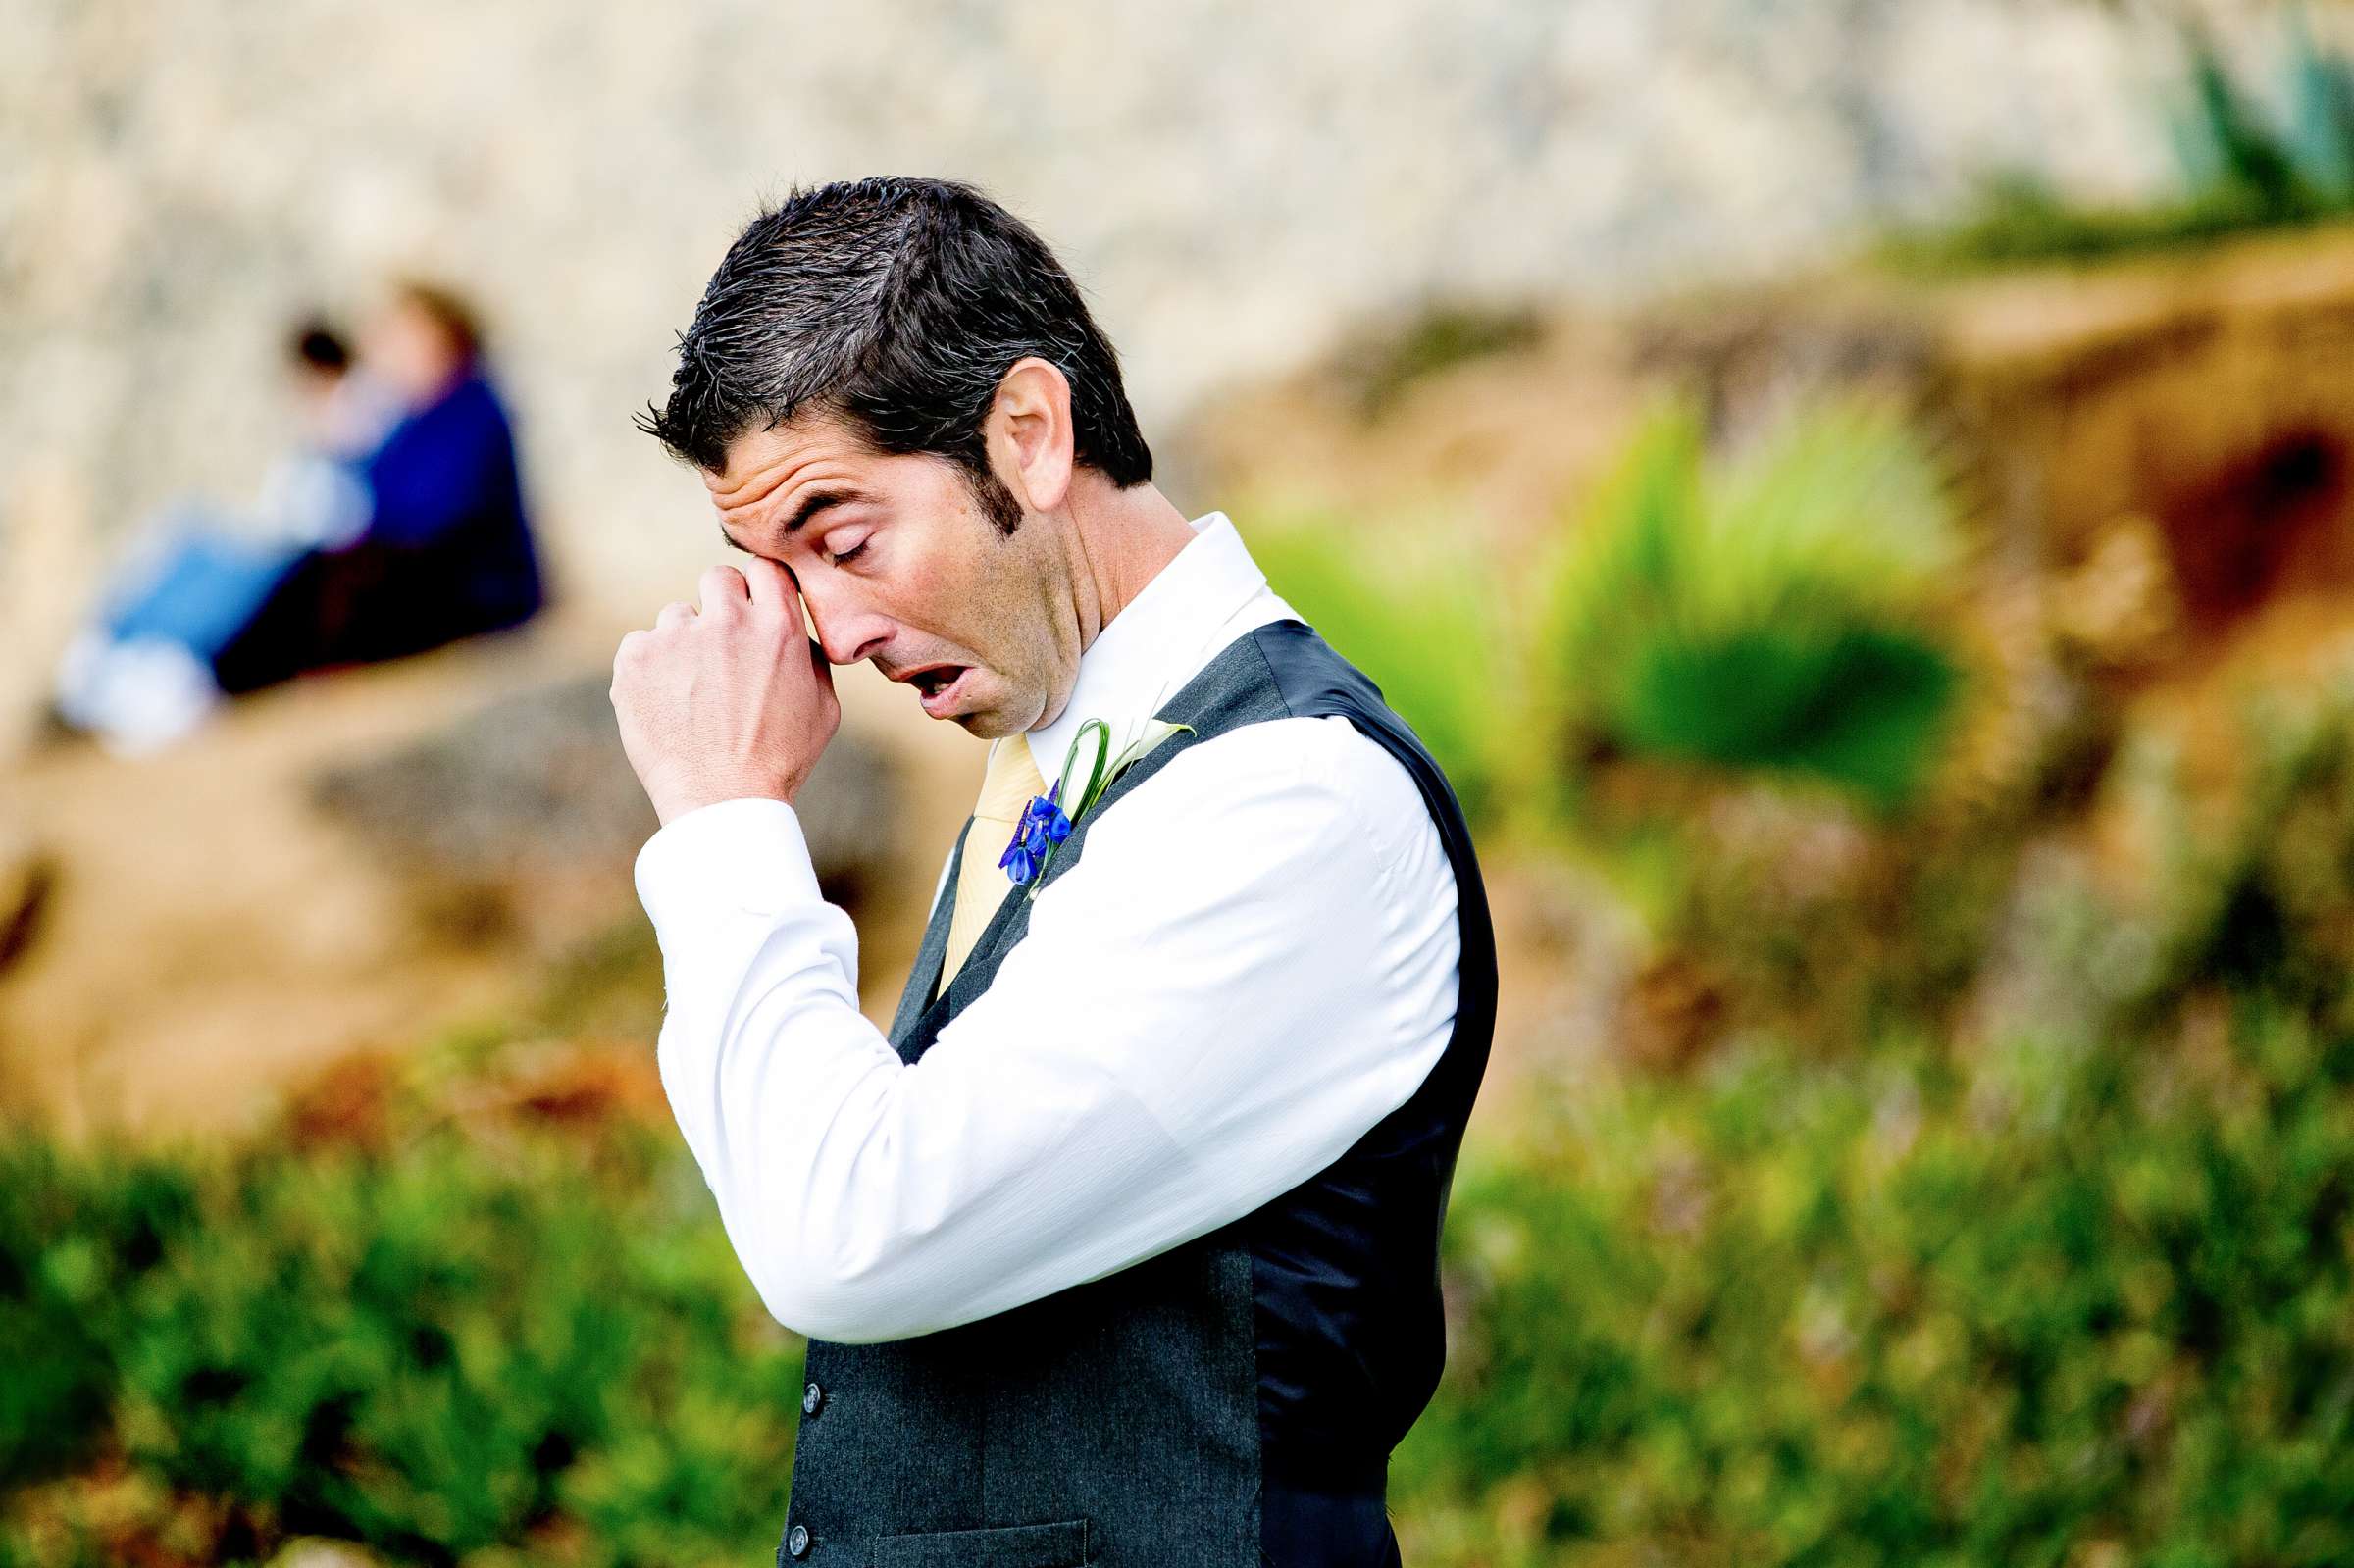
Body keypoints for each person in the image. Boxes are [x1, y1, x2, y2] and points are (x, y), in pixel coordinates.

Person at [610, 177, 1496, 1568]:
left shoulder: (1287, 800)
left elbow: (850, 1229)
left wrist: (725, 818)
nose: (827, 631)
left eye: (843, 541)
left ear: (1027, 432)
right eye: (781, 578)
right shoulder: (1055, 759)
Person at [52, 320, 390, 753]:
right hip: (284, 541)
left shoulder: (361, 417)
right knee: (184, 535)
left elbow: (339, 510)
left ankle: (149, 657)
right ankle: (121, 646)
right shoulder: (336, 422)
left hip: (299, 550)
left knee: (203, 561)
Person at [209, 280, 545, 695]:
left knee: (332, 580)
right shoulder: (410, 419)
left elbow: (429, 516)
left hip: (474, 591)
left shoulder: (470, 410)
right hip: (433, 578)